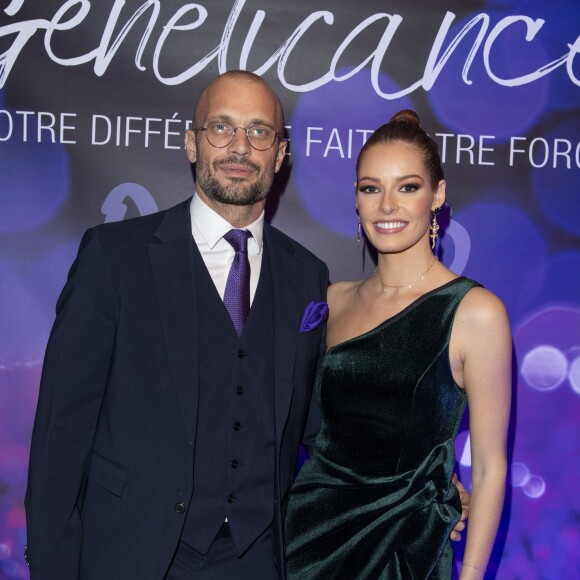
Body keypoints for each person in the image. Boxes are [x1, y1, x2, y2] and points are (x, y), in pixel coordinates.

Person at [24, 70, 329, 579]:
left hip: (257, 560)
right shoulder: (114, 257)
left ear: (280, 154)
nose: (239, 147)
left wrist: (418, 482)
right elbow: (62, 432)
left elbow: (324, 431)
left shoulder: (308, 277)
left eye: (259, 131)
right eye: (221, 128)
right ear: (191, 143)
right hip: (131, 554)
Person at [285, 110, 511, 579]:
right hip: (306, 542)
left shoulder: (475, 312)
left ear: (438, 195)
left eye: (407, 187)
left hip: (404, 552)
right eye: (371, 188)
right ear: (357, 199)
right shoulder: (331, 301)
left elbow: (490, 468)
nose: (387, 205)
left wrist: (470, 574)